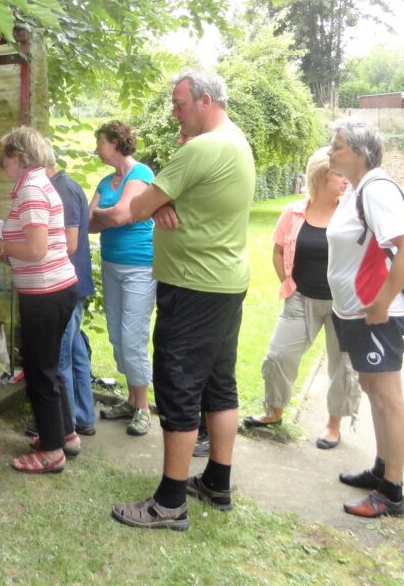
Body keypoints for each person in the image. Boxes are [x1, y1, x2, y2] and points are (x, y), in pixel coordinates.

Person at [112, 70, 254, 531]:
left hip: (193, 286)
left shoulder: (202, 148)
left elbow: (134, 208)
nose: (175, 111)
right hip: (225, 284)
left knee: (177, 387)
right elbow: (166, 199)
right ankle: (217, 481)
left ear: (205, 101)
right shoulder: (235, 142)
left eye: (179, 104)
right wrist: (165, 201)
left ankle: (170, 502)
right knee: (219, 385)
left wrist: (156, 202)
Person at [325, 119, 404, 518]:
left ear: (360, 154)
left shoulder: (377, 190)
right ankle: (382, 469)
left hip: (376, 315)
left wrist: (382, 303)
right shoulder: (357, 189)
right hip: (357, 311)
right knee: (371, 388)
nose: (330, 152)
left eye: (337, 146)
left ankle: (392, 493)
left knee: (387, 399)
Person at [243, 147, 361, 449]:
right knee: (279, 355)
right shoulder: (294, 212)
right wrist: (288, 282)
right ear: (321, 176)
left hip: (342, 304)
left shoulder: (352, 214)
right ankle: (274, 411)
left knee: (343, 365)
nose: (345, 180)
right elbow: (279, 249)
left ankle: (334, 424)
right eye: (339, 174)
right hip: (301, 298)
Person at [0, 126, 78, 475]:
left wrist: (0, 246)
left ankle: (52, 452)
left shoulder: (32, 190)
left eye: (5, 156)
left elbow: (37, 249)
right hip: (53, 288)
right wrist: (9, 254)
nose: (2, 164)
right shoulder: (39, 185)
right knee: (48, 367)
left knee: (40, 372)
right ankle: (65, 434)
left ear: (18, 157)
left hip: (45, 293)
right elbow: (40, 247)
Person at [88, 120, 155, 437]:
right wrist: (106, 217)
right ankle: (131, 400)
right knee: (117, 335)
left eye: (100, 141)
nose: (96, 148)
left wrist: (106, 216)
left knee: (133, 337)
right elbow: (88, 223)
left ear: (115, 142)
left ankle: (143, 408)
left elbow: (121, 215)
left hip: (140, 267)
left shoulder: (140, 175)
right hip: (112, 265)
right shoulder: (105, 180)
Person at [33, 145, 96, 436]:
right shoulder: (61, 186)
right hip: (74, 281)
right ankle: (82, 416)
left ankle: (64, 424)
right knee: (75, 352)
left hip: (66, 283)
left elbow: (69, 244)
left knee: (62, 357)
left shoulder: (61, 189)